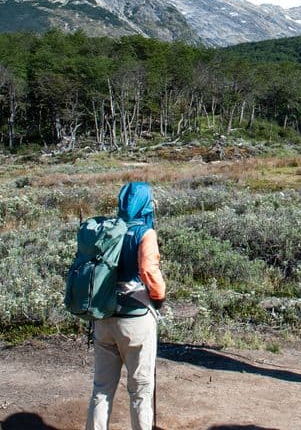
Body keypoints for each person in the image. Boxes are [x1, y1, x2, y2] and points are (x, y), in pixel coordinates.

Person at [86, 181, 166, 430]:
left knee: (102, 388)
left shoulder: (108, 229)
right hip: (136, 319)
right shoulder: (145, 233)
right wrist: (159, 296)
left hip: (103, 315)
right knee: (140, 389)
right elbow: (147, 270)